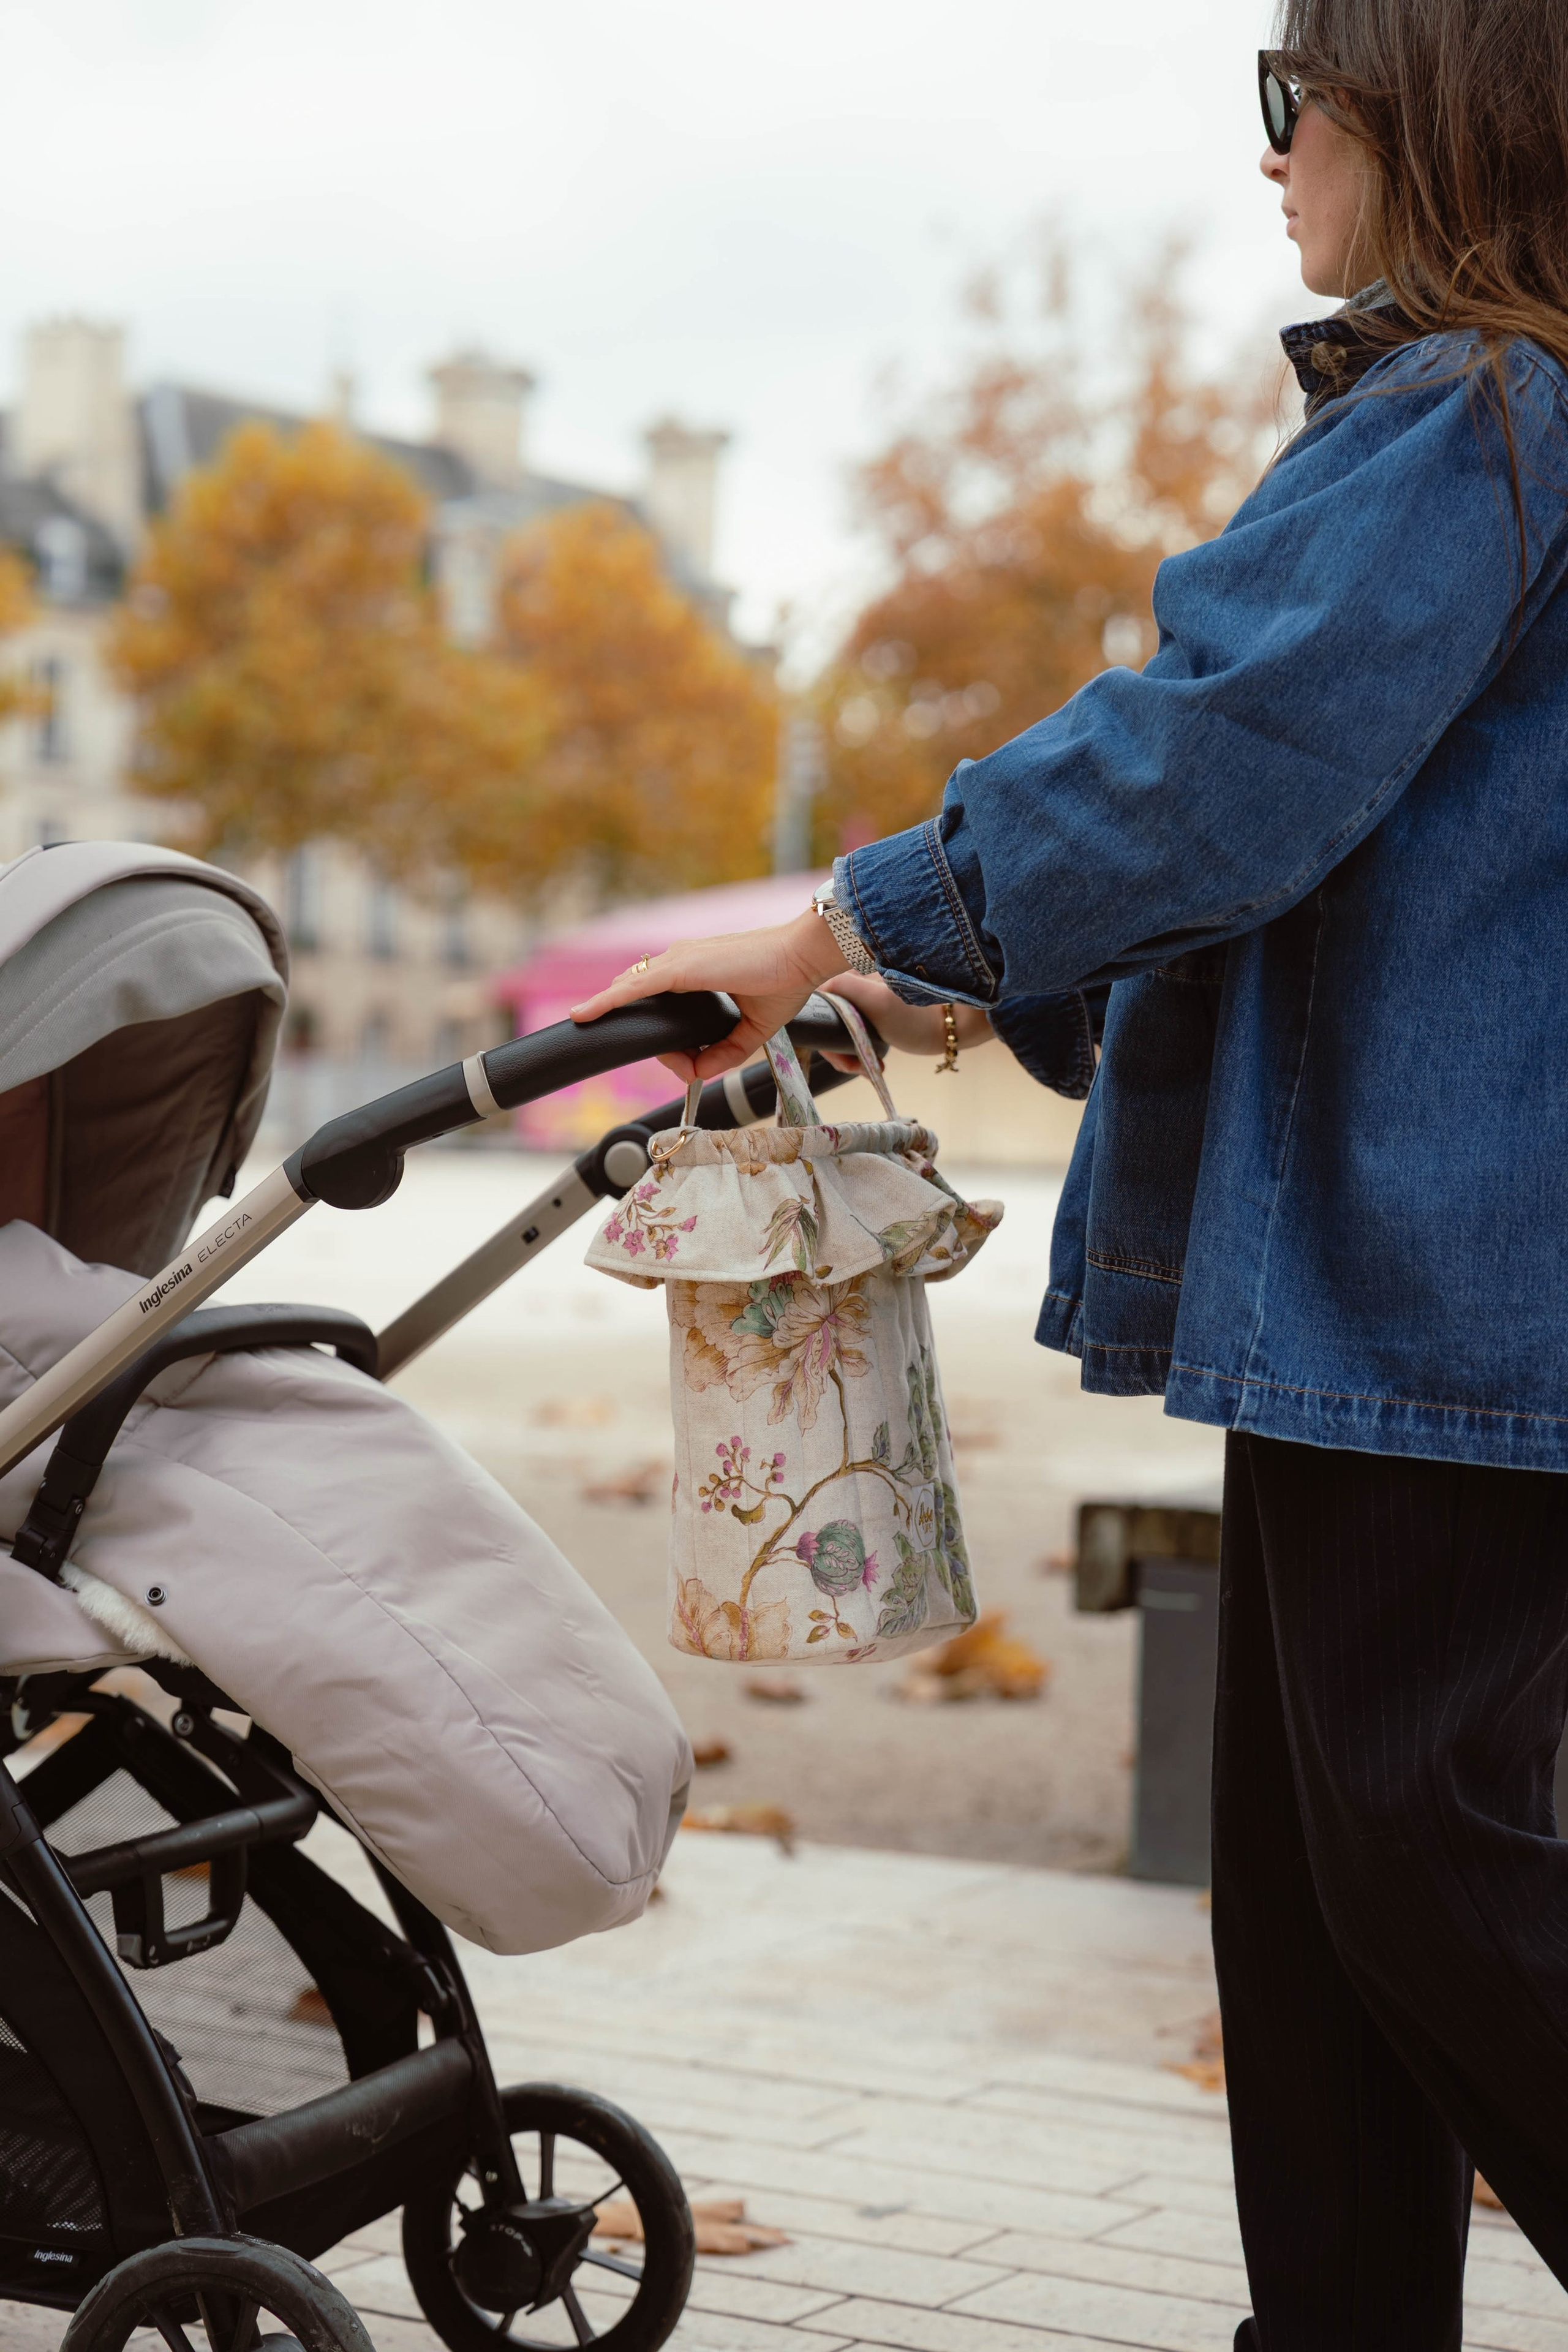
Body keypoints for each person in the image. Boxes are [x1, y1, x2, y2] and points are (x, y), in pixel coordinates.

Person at [573, 1, 1568, 2339]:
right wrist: (932, 988)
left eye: (1291, 97)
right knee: (1317, 1902)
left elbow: (1208, 768)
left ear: (1429, 111)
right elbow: (1336, 878)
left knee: (1416, 1853)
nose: (1271, 156)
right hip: (1407, 1283)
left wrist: (837, 920)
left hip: (1444, 1283)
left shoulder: (1481, 413)